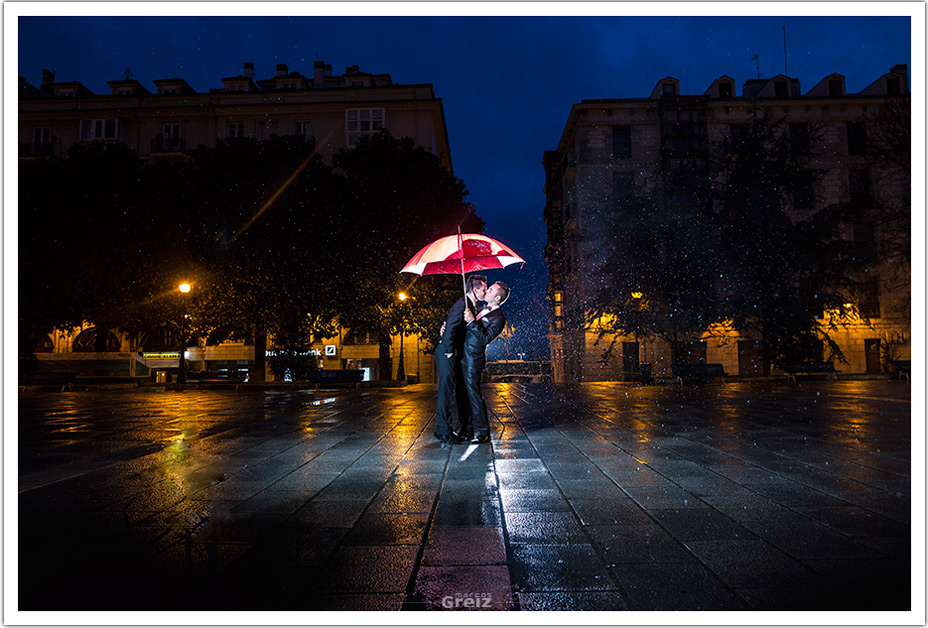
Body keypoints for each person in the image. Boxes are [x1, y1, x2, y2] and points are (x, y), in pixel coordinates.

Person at [434, 274, 486, 447]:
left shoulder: (470, 306)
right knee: (446, 392)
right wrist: (449, 352)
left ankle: (457, 429)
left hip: (454, 352)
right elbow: (450, 329)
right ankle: (443, 432)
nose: (485, 292)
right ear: (475, 289)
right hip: (447, 353)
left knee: (453, 392)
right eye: (483, 289)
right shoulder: (462, 304)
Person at [461, 281, 510, 444]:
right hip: (465, 354)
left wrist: (472, 322)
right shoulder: (481, 309)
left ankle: (483, 432)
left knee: (474, 395)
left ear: (496, 298)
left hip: (474, 359)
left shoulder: (499, 319)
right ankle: (465, 429)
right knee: (465, 395)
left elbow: (485, 339)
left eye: (490, 290)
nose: (486, 291)